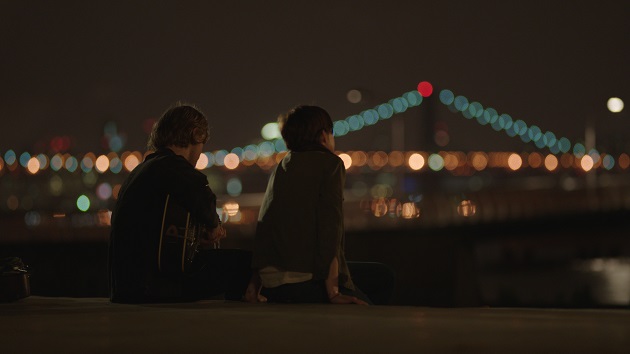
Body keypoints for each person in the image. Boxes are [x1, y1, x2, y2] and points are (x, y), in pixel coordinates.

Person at [247, 105, 394, 305]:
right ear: (324, 136)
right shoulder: (331, 164)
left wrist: (253, 286)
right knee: (380, 282)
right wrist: (333, 292)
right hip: (305, 281)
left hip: (272, 284)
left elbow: (265, 224)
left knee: (378, 274)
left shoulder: (281, 166)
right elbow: (330, 228)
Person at [109, 103, 252, 303]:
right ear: (196, 135)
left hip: (127, 287)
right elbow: (203, 197)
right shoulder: (173, 166)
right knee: (245, 263)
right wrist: (213, 226)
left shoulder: (142, 170)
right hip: (157, 287)